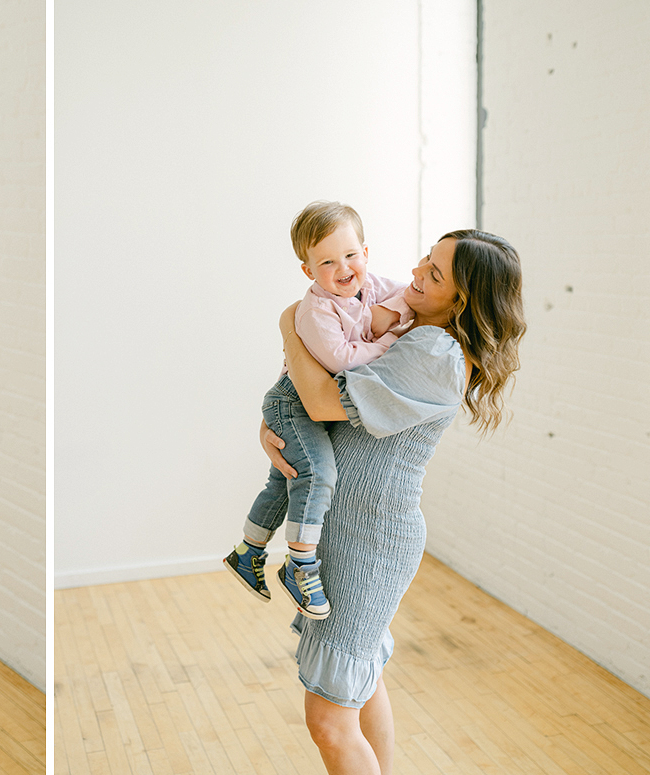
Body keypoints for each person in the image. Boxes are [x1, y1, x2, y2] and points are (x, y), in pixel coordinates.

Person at [256, 230, 524, 774]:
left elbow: (323, 399)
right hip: (351, 527)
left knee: (329, 720)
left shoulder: (438, 351)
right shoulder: (412, 326)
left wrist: (290, 324)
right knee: (362, 681)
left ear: (462, 298)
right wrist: (272, 427)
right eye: (427, 256)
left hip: (371, 539)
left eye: (437, 272)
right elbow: (317, 395)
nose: (419, 270)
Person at [223, 202, 413, 619]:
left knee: (285, 478)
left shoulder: (377, 287)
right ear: (309, 271)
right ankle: (300, 564)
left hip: (305, 403)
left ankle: (247, 551)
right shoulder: (316, 309)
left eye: (350, 255)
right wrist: (388, 341)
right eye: (327, 262)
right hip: (293, 401)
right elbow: (342, 360)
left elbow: (409, 301)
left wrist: (392, 313)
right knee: (318, 474)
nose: (343, 268)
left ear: (366, 252)